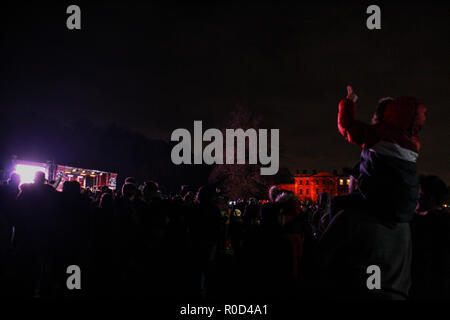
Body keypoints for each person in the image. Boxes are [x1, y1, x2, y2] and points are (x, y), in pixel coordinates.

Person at [312, 86, 427, 299]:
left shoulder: (351, 219)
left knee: (338, 205)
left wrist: (349, 101)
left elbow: (346, 126)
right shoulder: (404, 224)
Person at [410, 175, 450, 299]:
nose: (416, 198)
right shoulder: (444, 221)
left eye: (420, 195)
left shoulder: (421, 225)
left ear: (430, 198)